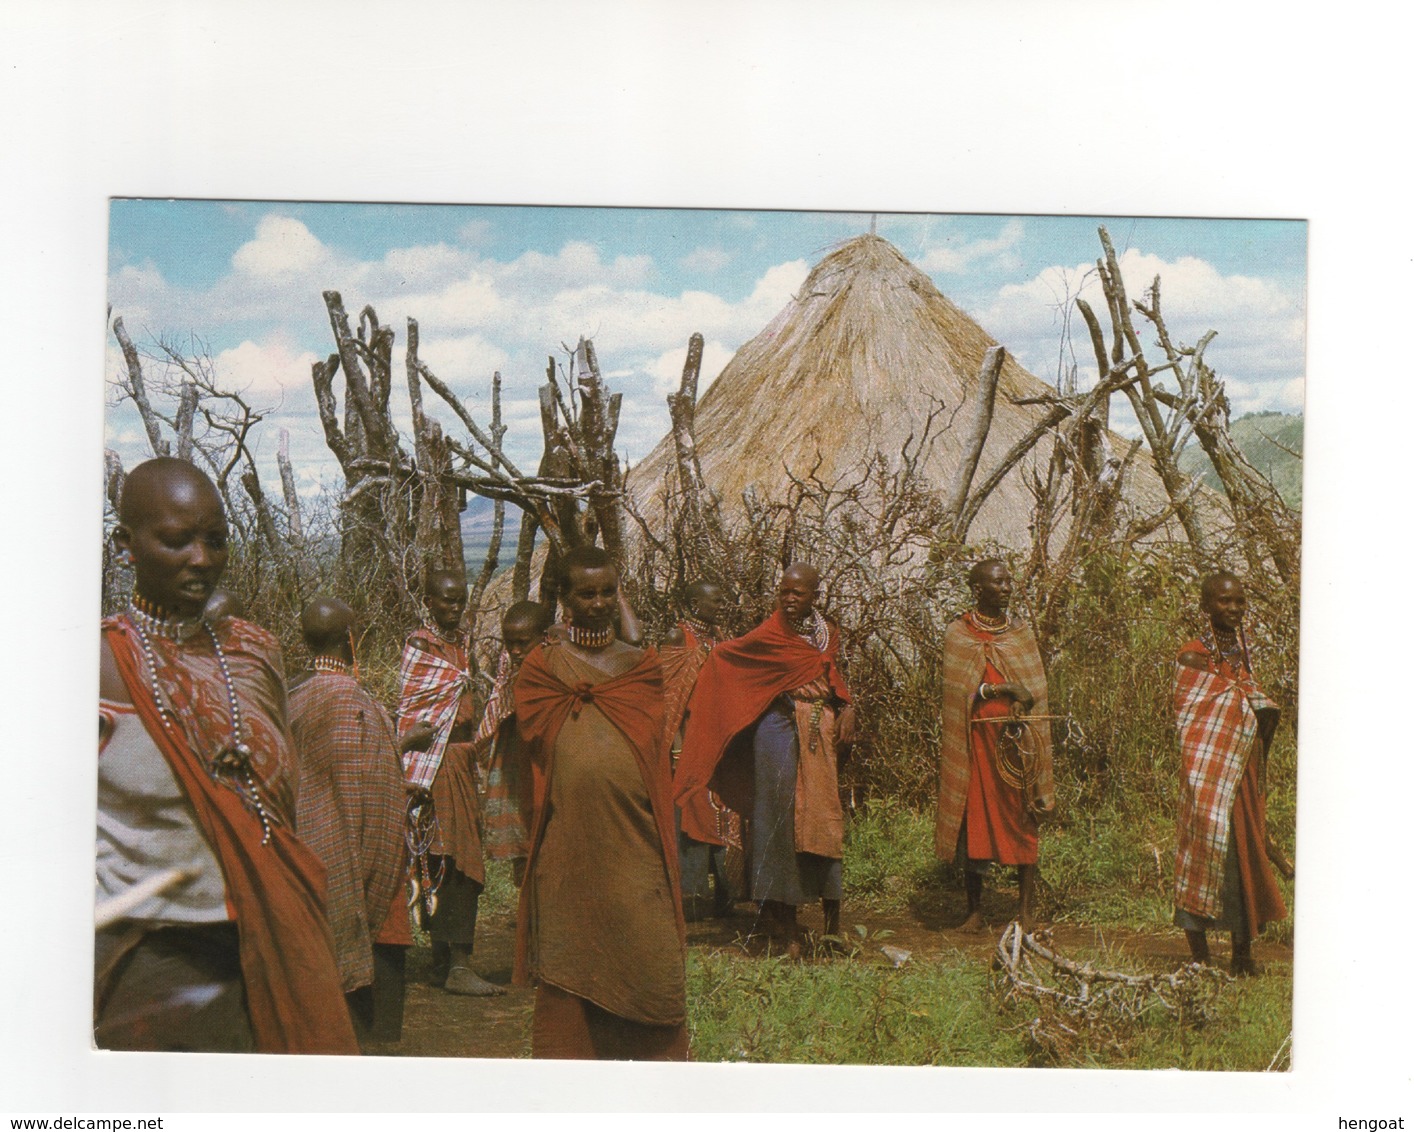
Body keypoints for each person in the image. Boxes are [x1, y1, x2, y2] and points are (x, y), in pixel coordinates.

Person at [96, 457, 357, 1054]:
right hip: (144, 958)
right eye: (177, 540)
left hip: (261, 939)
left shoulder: (253, 652)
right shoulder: (97, 665)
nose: (202, 558)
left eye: (215, 540)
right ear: (125, 543)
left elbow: (276, 808)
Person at [512, 545, 688, 1060]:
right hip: (568, 852)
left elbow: (653, 757)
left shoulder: (640, 670)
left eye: (607, 590)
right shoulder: (541, 671)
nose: (598, 602)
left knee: (653, 971)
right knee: (571, 968)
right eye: (585, 593)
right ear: (564, 598)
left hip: (636, 846)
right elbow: (534, 755)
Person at [675, 563, 855, 952]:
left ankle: (828, 925)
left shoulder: (827, 634)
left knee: (820, 818)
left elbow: (832, 676)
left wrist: (848, 707)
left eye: (798, 594)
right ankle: (784, 924)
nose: (789, 600)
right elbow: (727, 660)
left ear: (814, 597)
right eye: (784, 592)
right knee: (778, 821)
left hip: (818, 732)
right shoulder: (769, 634)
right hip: (775, 731)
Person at [288, 596, 422, 1041]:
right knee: (367, 1030)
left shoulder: (293, 692)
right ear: (351, 639)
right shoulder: (348, 698)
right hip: (360, 872)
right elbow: (361, 792)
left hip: (310, 864)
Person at [1173, 572, 1288, 976]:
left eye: (1239, 602)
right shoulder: (1193, 655)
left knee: (1245, 857)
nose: (1234, 609)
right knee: (1203, 851)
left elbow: (1249, 706)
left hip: (1242, 773)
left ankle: (1242, 956)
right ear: (1206, 606)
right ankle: (1200, 957)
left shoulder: (1241, 653)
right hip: (1208, 775)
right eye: (1225, 602)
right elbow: (1192, 719)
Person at [935, 559, 1055, 933]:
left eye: (1008, 582)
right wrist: (1000, 690)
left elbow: (1033, 688)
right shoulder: (959, 633)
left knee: (1024, 817)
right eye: (997, 582)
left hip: (1016, 744)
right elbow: (958, 693)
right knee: (975, 820)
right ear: (978, 589)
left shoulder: (1019, 633)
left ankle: (1025, 912)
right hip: (976, 745)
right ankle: (974, 912)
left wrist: (1023, 703)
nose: (1006, 588)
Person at [397, 569, 501, 996]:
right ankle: (453, 963)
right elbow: (412, 708)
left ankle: (449, 960)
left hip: (460, 760)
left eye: (460, 599)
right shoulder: (422, 646)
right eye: (446, 600)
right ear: (430, 602)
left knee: (456, 855)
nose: (454, 608)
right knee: (448, 859)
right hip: (432, 767)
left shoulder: (464, 645)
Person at [662, 580, 741, 920]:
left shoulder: (718, 638)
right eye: (716, 599)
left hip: (717, 741)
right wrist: (677, 750)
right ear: (695, 602)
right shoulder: (677, 638)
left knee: (722, 812)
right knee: (690, 812)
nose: (722, 604)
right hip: (687, 742)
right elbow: (668, 700)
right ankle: (691, 897)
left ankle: (728, 892)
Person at [472, 601, 553, 886]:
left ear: (544, 637)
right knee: (523, 835)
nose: (515, 650)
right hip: (519, 760)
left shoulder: (555, 663)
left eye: (523, 643)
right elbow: (502, 704)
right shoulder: (510, 664)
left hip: (549, 760)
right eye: (510, 644)